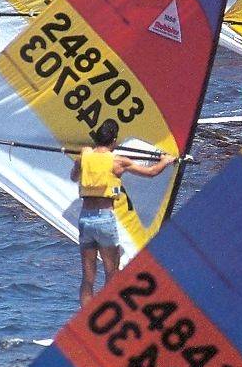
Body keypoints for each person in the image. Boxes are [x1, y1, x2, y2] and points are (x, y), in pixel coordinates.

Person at [69, 119, 175, 308]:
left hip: (85, 219)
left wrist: (82, 161)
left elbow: (74, 177)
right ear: (114, 141)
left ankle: (84, 316)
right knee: (112, 272)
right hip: (104, 219)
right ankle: (104, 315)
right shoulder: (118, 161)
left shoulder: (84, 157)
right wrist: (166, 161)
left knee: (88, 276)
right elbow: (150, 173)